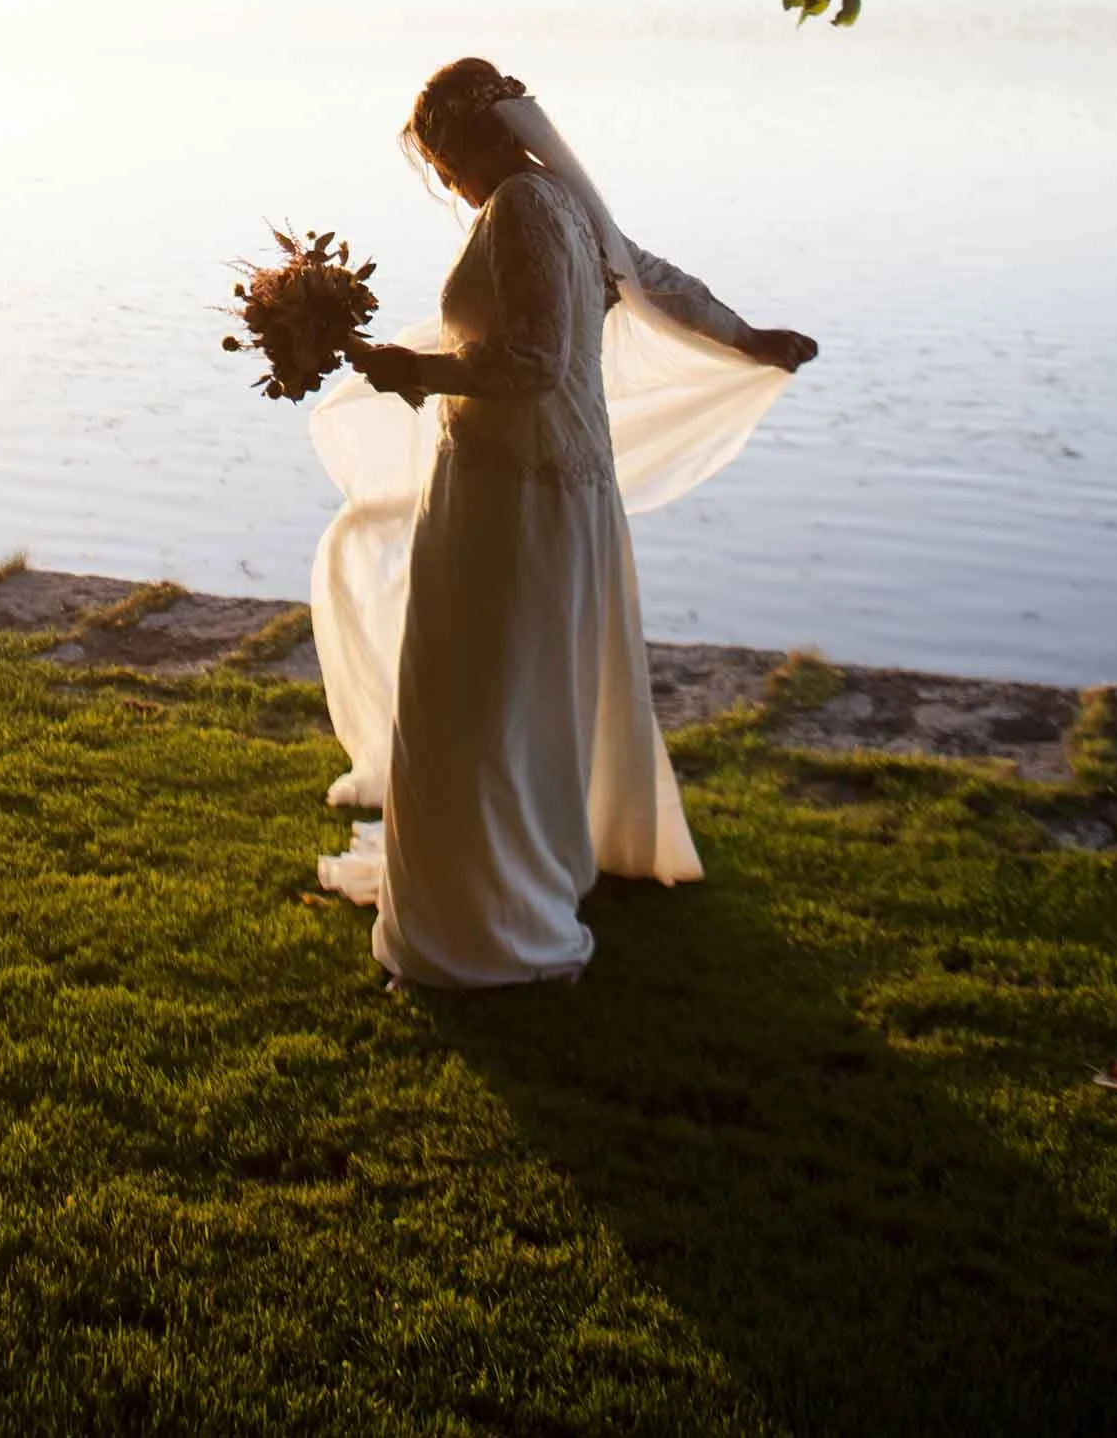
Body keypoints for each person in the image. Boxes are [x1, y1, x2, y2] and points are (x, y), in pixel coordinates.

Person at [318, 53, 816, 992]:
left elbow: (535, 363)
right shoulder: (562, 203)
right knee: (515, 690)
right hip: (544, 483)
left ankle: (485, 916)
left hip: (516, 492)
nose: (446, 180)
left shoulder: (522, 207)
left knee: (484, 696)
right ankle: (510, 870)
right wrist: (746, 335)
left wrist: (416, 375)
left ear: (472, 142)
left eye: (442, 158)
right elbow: (654, 278)